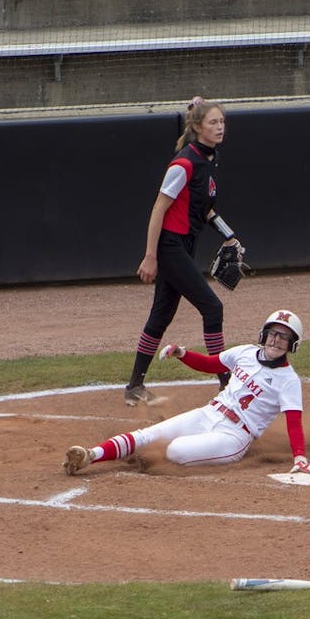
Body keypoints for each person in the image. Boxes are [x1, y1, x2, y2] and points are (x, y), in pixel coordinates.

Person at [64, 310, 310, 475]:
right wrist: (182, 353)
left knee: (175, 451)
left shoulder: (288, 380)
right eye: (273, 333)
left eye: (283, 337)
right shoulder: (245, 352)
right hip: (208, 413)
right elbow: (210, 364)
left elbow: (294, 423)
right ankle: (91, 455)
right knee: (148, 434)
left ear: (293, 344)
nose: (276, 340)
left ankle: (150, 456)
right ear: (264, 334)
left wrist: (300, 457)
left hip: (234, 436)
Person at [124, 96, 244, 407]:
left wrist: (229, 237)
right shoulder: (185, 163)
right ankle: (226, 384)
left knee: (162, 314)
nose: (220, 127)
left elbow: (204, 209)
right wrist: (151, 256)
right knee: (212, 308)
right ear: (197, 127)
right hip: (170, 245)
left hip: (184, 244)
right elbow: (158, 209)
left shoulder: (208, 159)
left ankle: (134, 387)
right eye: (213, 122)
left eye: (222, 122)